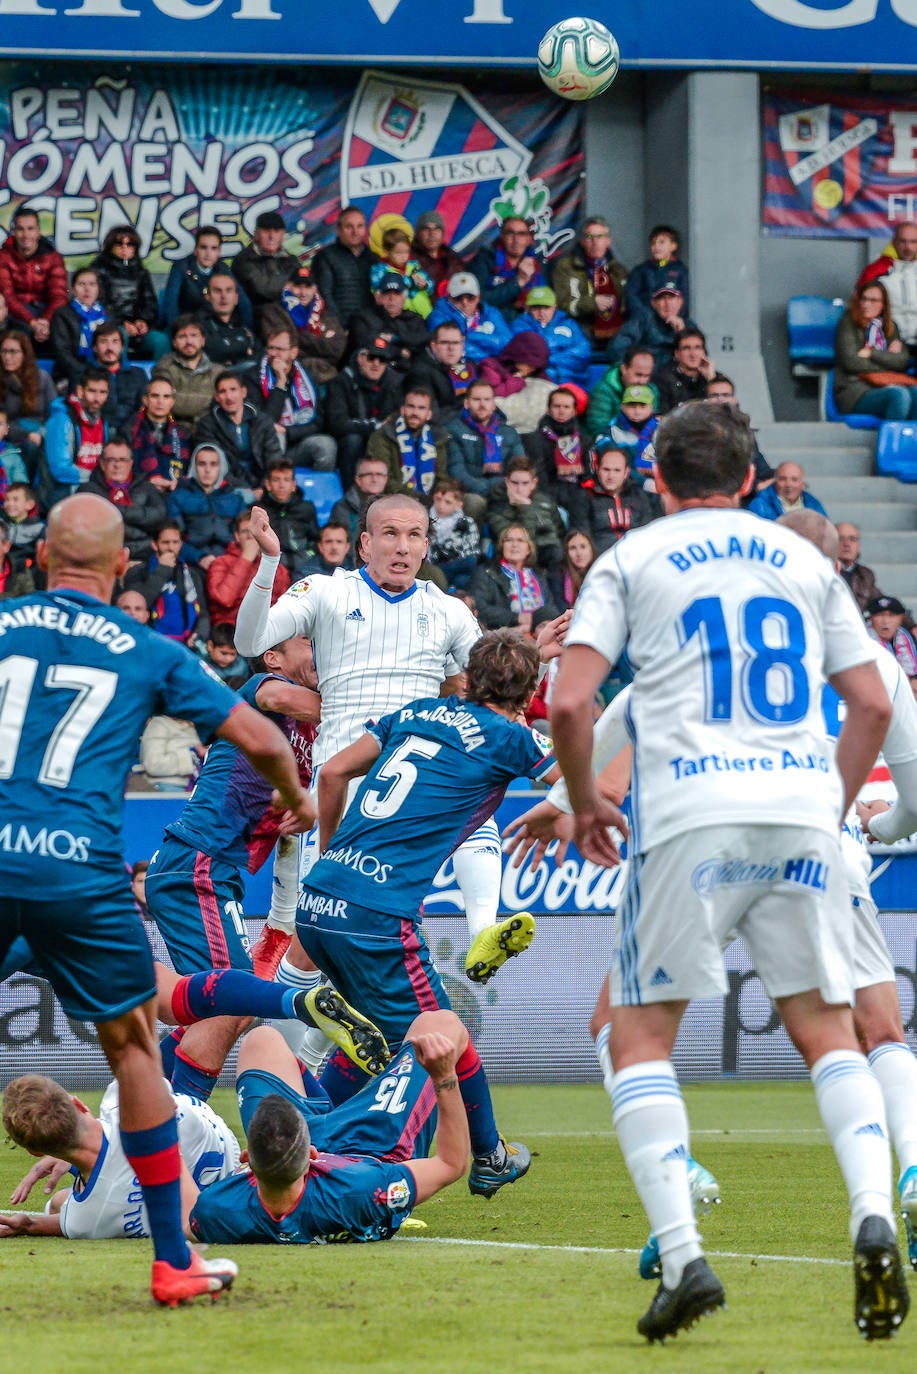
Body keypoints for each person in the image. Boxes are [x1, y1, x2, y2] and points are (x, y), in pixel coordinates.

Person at [548, 400, 906, 1341]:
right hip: (798, 813)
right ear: (750, 481)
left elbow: (571, 701)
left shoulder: (630, 558)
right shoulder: (803, 560)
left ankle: (683, 1257)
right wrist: (822, 801)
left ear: (655, 482)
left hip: (687, 814)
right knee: (829, 1033)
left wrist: (587, 800)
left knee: (635, 1040)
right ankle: (873, 1212)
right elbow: (867, 702)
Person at [0, 490, 314, 1305]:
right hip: (83, 873)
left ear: (39, 560)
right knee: (136, 1051)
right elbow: (258, 732)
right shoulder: (143, 646)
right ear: (121, 569)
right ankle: (174, 1262)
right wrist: (300, 798)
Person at [233, 494, 538, 997]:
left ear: (426, 546)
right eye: (391, 534)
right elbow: (250, 642)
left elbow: (494, 694)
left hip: (412, 789)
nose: (402, 547)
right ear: (365, 543)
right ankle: (283, 1053)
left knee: (471, 801)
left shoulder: (448, 612)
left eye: (415, 535)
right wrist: (269, 561)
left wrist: (533, 660)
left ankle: (483, 925)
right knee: (316, 949)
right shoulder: (326, 592)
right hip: (343, 788)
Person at [291, 630, 558, 1189]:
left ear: (466, 676)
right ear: (530, 694)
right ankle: (483, 1158)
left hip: (317, 900)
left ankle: (302, 1138)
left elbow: (334, 771)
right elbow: (574, 782)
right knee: (443, 1034)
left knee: (391, 1042)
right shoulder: (515, 738)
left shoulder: (418, 711)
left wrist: (335, 853)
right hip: (377, 917)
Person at [187, 1009, 471, 1242]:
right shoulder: (365, 1189)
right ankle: (492, 1158)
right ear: (312, 1153)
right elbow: (451, 1164)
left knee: (261, 1040)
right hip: (374, 1146)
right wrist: (445, 1076)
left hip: (295, 1147)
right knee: (440, 1024)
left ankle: (326, 1099)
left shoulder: (218, 1208)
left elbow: (188, 1221)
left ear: (247, 1158)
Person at [0, 1073, 241, 1240]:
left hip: (223, 1196)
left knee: (58, 1203)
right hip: (234, 1164)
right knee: (258, 1039)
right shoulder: (125, 1094)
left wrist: (29, 1224)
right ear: (79, 1104)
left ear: (36, 1152)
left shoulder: (84, 1220)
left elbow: (67, 1223)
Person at [242, 324, 335, 471]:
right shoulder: (253, 377)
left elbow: (318, 422)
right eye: (270, 348)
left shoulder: (308, 378)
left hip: (298, 443)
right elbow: (265, 421)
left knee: (326, 445)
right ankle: (274, 487)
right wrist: (280, 383)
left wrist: (289, 432)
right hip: (267, 447)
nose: (273, 353)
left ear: (293, 353)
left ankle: (317, 491)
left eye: (279, 349)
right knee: (275, 436)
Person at [833, 280, 917, 422]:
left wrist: (872, 353)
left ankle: (911, 442)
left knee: (915, 393)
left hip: (887, 384)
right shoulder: (848, 323)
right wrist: (887, 360)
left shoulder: (890, 327)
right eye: (863, 299)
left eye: (873, 300)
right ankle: (892, 443)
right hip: (856, 391)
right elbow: (851, 362)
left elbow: (901, 361)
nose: (866, 304)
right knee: (899, 396)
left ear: (883, 304)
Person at [445, 378, 526, 525]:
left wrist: (500, 490)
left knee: (524, 502)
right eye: (476, 399)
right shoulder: (453, 430)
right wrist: (489, 490)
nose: (482, 405)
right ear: (466, 403)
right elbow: (456, 472)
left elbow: (520, 469)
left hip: (504, 492)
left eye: (487, 399)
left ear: (494, 404)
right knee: (474, 503)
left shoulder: (509, 433)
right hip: (470, 493)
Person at [324, 342, 403, 488]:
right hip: (349, 440)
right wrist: (375, 425)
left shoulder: (395, 382)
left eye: (382, 359)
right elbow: (337, 423)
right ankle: (350, 493)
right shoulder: (341, 381)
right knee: (353, 440)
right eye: (372, 357)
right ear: (361, 358)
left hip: (382, 437)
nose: (376, 363)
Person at [124, 522, 209, 646]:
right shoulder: (138, 571)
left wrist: (199, 634)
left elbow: (203, 613)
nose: (171, 547)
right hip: (151, 644)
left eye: (175, 542)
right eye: (165, 542)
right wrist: (162, 570)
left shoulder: (191, 574)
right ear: (154, 544)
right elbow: (136, 605)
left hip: (187, 645)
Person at [196, 370, 283, 491]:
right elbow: (215, 465)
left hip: (263, 486)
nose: (229, 397)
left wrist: (264, 487)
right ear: (216, 397)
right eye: (223, 391)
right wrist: (246, 491)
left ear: (243, 392)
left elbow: (273, 458)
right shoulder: (207, 425)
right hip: (228, 488)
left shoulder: (263, 421)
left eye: (233, 390)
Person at [91, 225, 167, 361]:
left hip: (137, 327)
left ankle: (161, 379)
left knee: (160, 340)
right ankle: (123, 377)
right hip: (111, 325)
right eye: (119, 243)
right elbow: (99, 304)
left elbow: (150, 303)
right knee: (119, 336)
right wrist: (122, 322)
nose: (124, 248)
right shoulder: (98, 270)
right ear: (110, 245)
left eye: (130, 244)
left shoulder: (141, 272)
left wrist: (143, 321)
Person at [86, 435, 169, 560]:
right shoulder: (88, 490)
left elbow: (159, 516)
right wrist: (140, 522)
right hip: (103, 558)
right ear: (102, 464)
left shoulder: (146, 486)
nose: (117, 465)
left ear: (130, 463)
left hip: (142, 558)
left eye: (123, 460)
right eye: (111, 460)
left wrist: (114, 511)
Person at [551, 217, 628, 349]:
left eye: (600, 236)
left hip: (615, 328)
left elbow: (627, 306)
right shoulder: (566, 267)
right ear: (582, 242)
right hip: (580, 324)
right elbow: (561, 305)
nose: (595, 242)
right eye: (589, 236)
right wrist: (593, 303)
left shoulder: (618, 270)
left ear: (608, 241)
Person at [206, 508, 291, 628]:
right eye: (245, 531)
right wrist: (246, 558)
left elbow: (285, 609)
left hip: (266, 632)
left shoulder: (278, 568)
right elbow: (224, 599)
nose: (251, 536)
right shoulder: (221, 563)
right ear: (236, 536)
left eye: (256, 531)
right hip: (230, 632)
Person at [167, 442, 246, 568]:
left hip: (231, 562)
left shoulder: (235, 499)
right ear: (194, 466)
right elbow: (172, 538)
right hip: (192, 563)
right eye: (202, 464)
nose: (207, 470)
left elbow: (245, 537)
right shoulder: (178, 497)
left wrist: (230, 558)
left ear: (221, 467)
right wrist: (199, 557)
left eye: (213, 464)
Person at [468, 523, 559, 631]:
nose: (514, 544)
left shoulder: (539, 576)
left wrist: (536, 623)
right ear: (502, 546)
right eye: (509, 540)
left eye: (520, 540)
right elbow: (479, 608)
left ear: (529, 549)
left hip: (538, 633)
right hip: (502, 637)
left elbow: (550, 609)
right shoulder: (486, 572)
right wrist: (516, 618)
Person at [0, 208, 68, 352]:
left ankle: (64, 372)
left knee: (64, 321)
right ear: (13, 232)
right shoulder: (3, 256)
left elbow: (59, 296)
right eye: (20, 229)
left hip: (46, 313)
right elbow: (7, 296)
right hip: (16, 312)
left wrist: (45, 321)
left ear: (38, 232)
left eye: (30, 229)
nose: (26, 235)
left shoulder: (53, 257)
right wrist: (32, 322)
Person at [524, 384, 592, 527]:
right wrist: (557, 466)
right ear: (548, 409)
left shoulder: (584, 440)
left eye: (566, 407)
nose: (561, 411)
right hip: (547, 492)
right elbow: (537, 475)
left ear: (574, 411)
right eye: (557, 406)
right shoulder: (534, 440)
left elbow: (589, 474)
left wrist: (581, 476)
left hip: (576, 493)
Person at [267, 262, 346, 383]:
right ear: (288, 286)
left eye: (308, 287)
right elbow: (284, 348)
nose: (303, 293)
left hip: (328, 376)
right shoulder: (275, 312)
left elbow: (337, 349)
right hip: (291, 376)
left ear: (315, 289)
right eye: (298, 286)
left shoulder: (325, 313)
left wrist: (300, 336)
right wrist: (320, 338)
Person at [365, 385, 448, 499]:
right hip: (392, 501)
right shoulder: (383, 435)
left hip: (431, 503)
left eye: (421, 408)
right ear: (402, 410)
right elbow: (383, 480)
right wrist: (419, 498)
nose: (415, 412)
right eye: (411, 406)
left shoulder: (437, 439)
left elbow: (441, 477)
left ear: (429, 414)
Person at [162, 226, 252, 329]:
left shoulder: (223, 269)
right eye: (203, 247)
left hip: (215, 328)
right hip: (187, 326)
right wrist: (178, 332)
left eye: (214, 248)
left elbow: (243, 302)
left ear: (219, 252)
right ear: (195, 250)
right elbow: (171, 305)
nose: (208, 253)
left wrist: (246, 331)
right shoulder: (180, 267)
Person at [43, 367, 111, 499]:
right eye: (92, 391)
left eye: (103, 392)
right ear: (80, 391)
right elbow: (60, 470)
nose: (97, 398)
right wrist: (98, 478)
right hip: (63, 493)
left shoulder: (104, 419)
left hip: (94, 487)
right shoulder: (62, 419)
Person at [486, 455, 565, 570]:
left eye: (525, 483)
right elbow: (517, 541)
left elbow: (560, 532)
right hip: (516, 557)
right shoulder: (496, 504)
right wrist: (525, 508)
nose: (519, 489)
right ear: (507, 482)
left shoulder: (545, 501)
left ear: (534, 483)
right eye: (515, 483)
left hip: (551, 556)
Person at [579, 442, 658, 554]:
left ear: (626, 473)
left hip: (635, 558)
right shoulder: (585, 496)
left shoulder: (639, 496)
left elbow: (647, 533)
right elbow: (584, 538)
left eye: (617, 470)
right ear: (597, 469)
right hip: (601, 561)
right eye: (606, 470)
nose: (611, 476)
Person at [509, 287, 591, 386]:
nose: (541, 313)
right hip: (537, 381)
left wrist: (550, 359)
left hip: (571, 379)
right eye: (536, 308)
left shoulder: (569, 324)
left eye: (546, 307)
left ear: (554, 307)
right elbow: (524, 356)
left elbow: (583, 351)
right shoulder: (519, 326)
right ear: (528, 308)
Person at [476, 331, 554, 436]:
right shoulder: (491, 366)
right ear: (518, 355)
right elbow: (491, 393)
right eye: (529, 363)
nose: (530, 369)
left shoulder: (538, 373)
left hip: (531, 432)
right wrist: (516, 381)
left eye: (535, 366)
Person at [857, 220, 917, 354]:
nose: (908, 247)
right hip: (889, 339)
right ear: (894, 242)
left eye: (913, 241)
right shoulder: (877, 271)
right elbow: (859, 307)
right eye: (903, 241)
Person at [608, 280, 700, 368]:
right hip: (648, 376)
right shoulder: (643, 320)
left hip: (677, 378)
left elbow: (699, 358)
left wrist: (682, 334)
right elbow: (617, 348)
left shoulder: (689, 326)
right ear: (654, 303)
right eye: (662, 298)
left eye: (672, 298)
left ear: (680, 302)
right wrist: (641, 365)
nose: (667, 304)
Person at [348, 271, 430, 370]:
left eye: (396, 294)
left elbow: (423, 340)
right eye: (387, 293)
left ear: (404, 298)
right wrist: (399, 351)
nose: (392, 298)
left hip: (408, 374)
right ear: (378, 297)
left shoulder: (414, 319)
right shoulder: (363, 318)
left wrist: (397, 338)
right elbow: (365, 342)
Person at [231, 210, 299, 328]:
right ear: (256, 233)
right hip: (256, 322)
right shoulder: (243, 260)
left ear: (282, 234)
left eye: (276, 231)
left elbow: (304, 286)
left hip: (288, 318)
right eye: (266, 231)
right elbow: (264, 290)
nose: (271, 236)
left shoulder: (291, 260)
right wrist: (289, 286)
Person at [468, 216, 546, 317]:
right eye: (510, 233)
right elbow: (477, 300)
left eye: (521, 234)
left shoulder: (536, 262)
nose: (516, 240)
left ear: (528, 239)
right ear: (502, 236)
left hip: (530, 321)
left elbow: (546, 300)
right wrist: (519, 282)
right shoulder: (485, 259)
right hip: (490, 320)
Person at [311, 206, 374, 329]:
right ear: (338, 229)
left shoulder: (373, 258)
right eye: (349, 226)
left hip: (369, 329)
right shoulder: (325, 257)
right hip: (339, 330)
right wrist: (338, 327)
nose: (355, 232)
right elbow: (324, 295)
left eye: (360, 226)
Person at [427, 273, 512, 364]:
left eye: (470, 297)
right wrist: (490, 355)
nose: (465, 302)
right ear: (449, 297)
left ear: (479, 297)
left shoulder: (490, 312)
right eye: (458, 298)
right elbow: (454, 351)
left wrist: (470, 336)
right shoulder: (438, 316)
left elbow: (508, 343)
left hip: (493, 366)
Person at [152, 316, 218, 432]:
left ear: (203, 340)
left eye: (194, 335)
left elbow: (226, 403)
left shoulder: (218, 371)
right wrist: (211, 400)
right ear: (174, 342)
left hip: (210, 432)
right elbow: (164, 402)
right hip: (173, 433)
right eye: (182, 336)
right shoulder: (164, 367)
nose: (189, 341)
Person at [403, 321, 476, 425]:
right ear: (434, 346)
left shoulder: (468, 365)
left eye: (456, 343)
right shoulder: (420, 372)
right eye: (445, 343)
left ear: (462, 345)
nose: (451, 348)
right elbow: (431, 416)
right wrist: (467, 408)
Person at [48, 266, 108, 389]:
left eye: (92, 284)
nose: (87, 289)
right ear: (73, 290)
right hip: (69, 374)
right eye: (81, 284)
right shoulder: (62, 314)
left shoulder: (107, 315)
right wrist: (86, 372)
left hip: (103, 373)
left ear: (98, 289)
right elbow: (62, 352)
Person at [130, 377, 192, 493]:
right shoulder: (130, 430)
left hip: (175, 493)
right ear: (145, 400)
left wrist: (177, 483)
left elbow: (190, 472)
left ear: (172, 401)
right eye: (155, 396)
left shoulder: (184, 434)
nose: (160, 402)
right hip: (139, 491)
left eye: (166, 396)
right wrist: (147, 481)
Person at [259, 459, 320, 577]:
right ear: (268, 485)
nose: (281, 485)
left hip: (305, 565)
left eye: (286, 480)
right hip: (272, 567)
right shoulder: (259, 511)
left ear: (293, 485)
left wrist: (309, 555)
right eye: (276, 480)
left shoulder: (306, 508)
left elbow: (316, 539)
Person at [91, 322, 149, 434]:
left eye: (115, 342)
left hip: (133, 432)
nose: (109, 347)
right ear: (95, 347)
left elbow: (144, 408)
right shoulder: (84, 374)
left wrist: (127, 430)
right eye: (104, 341)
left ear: (122, 347)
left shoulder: (138, 374)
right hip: (97, 432)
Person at [586, 346, 657, 437]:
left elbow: (654, 423)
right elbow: (598, 428)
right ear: (624, 369)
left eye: (647, 376)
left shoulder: (652, 390)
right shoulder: (603, 391)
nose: (642, 381)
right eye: (638, 374)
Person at [625, 224, 690, 318]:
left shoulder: (681, 271)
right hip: (645, 323)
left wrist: (675, 317)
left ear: (673, 246)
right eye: (653, 243)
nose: (656, 246)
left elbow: (685, 298)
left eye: (661, 242)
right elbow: (631, 296)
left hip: (672, 323)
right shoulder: (641, 270)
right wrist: (644, 318)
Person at [427, 476, 481, 589]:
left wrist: (442, 550)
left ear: (458, 505)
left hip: (457, 567)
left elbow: (471, 550)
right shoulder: (425, 520)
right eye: (438, 499)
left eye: (448, 502)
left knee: (464, 576)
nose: (441, 505)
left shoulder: (466, 523)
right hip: (435, 568)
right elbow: (430, 554)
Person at [0, 328, 56, 435]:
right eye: (3, 351)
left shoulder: (42, 377)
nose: (7, 357)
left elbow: (54, 412)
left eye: (13, 352)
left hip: (42, 433)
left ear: (25, 354)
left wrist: (42, 433)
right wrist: (26, 435)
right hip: (10, 436)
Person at [196, 272, 256, 367]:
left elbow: (259, 354)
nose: (223, 296)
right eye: (217, 291)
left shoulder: (240, 324)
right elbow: (215, 351)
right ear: (207, 297)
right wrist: (244, 349)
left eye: (228, 291)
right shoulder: (198, 324)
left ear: (236, 298)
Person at [370, 226, 433, 317]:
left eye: (406, 252)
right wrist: (410, 281)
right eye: (398, 253)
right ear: (386, 251)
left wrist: (425, 285)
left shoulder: (414, 267)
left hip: (425, 315)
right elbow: (382, 286)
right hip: (399, 319)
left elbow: (431, 286)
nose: (404, 257)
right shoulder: (379, 271)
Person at [598, 384, 659, 477]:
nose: (637, 411)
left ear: (651, 407)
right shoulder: (611, 430)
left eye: (643, 406)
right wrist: (645, 483)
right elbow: (610, 463)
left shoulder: (663, 431)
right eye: (631, 406)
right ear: (622, 406)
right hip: (625, 483)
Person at [329, 452, 389, 541]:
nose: (374, 479)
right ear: (358, 480)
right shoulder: (342, 508)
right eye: (369, 474)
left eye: (379, 474)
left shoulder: (394, 508)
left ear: (386, 479)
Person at [654, 329, 716, 413]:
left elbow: (721, 412)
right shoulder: (663, 380)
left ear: (704, 352)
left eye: (697, 348)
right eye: (686, 348)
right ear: (677, 354)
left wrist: (711, 379)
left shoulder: (713, 377)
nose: (693, 354)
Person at [867, 595, 917, 692]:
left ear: (901, 618)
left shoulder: (909, 636)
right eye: (879, 615)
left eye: (891, 615)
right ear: (871, 618)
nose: (885, 621)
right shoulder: (863, 640)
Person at [749, 460, 827, 520]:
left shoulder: (813, 504)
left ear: (802, 483)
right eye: (783, 479)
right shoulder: (760, 504)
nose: (788, 484)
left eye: (794, 479)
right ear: (775, 481)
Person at [411, 210, 465, 297]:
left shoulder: (453, 259)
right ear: (418, 233)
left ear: (442, 233)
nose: (432, 234)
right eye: (426, 229)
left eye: (437, 228)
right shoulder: (409, 258)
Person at [548, 527, 598, 611]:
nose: (579, 553)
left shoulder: (602, 572)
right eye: (573, 548)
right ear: (566, 552)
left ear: (591, 549)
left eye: (583, 547)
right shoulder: (557, 576)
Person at [838, 521, 883, 612]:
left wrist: (911, 625)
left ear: (858, 545)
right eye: (840, 538)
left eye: (852, 539)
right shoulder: (821, 570)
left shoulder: (865, 574)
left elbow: (882, 603)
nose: (846, 544)